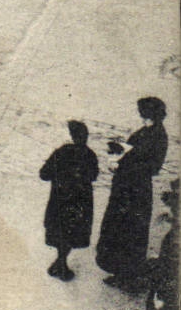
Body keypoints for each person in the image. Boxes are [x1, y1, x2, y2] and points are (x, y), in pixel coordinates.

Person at [96, 97, 170, 291]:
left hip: (136, 190)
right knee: (118, 229)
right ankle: (120, 272)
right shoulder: (145, 131)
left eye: (143, 113)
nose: (140, 116)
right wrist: (120, 155)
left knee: (130, 232)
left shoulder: (159, 136)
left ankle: (128, 276)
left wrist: (126, 161)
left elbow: (153, 167)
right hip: (126, 187)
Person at [39, 120, 98, 281]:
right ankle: (61, 263)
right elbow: (94, 176)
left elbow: (43, 174)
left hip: (60, 199)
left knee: (60, 231)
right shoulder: (90, 154)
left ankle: (60, 262)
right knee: (73, 231)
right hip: (81, 202)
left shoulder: (61, 152)